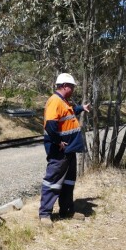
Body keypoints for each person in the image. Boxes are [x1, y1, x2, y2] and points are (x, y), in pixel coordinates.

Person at [39, 73, 91, 227]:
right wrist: (57, 142)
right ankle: (45, 214)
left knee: (68, 181)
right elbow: (50, 124)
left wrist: (81, 108)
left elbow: (69, 113)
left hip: (69, 150)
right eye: (72, 86)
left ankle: (66, 210)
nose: (73, 89)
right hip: (59, 151)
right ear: (64, 86)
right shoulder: (55, 101)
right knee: (52, 182)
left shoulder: (64, 102)